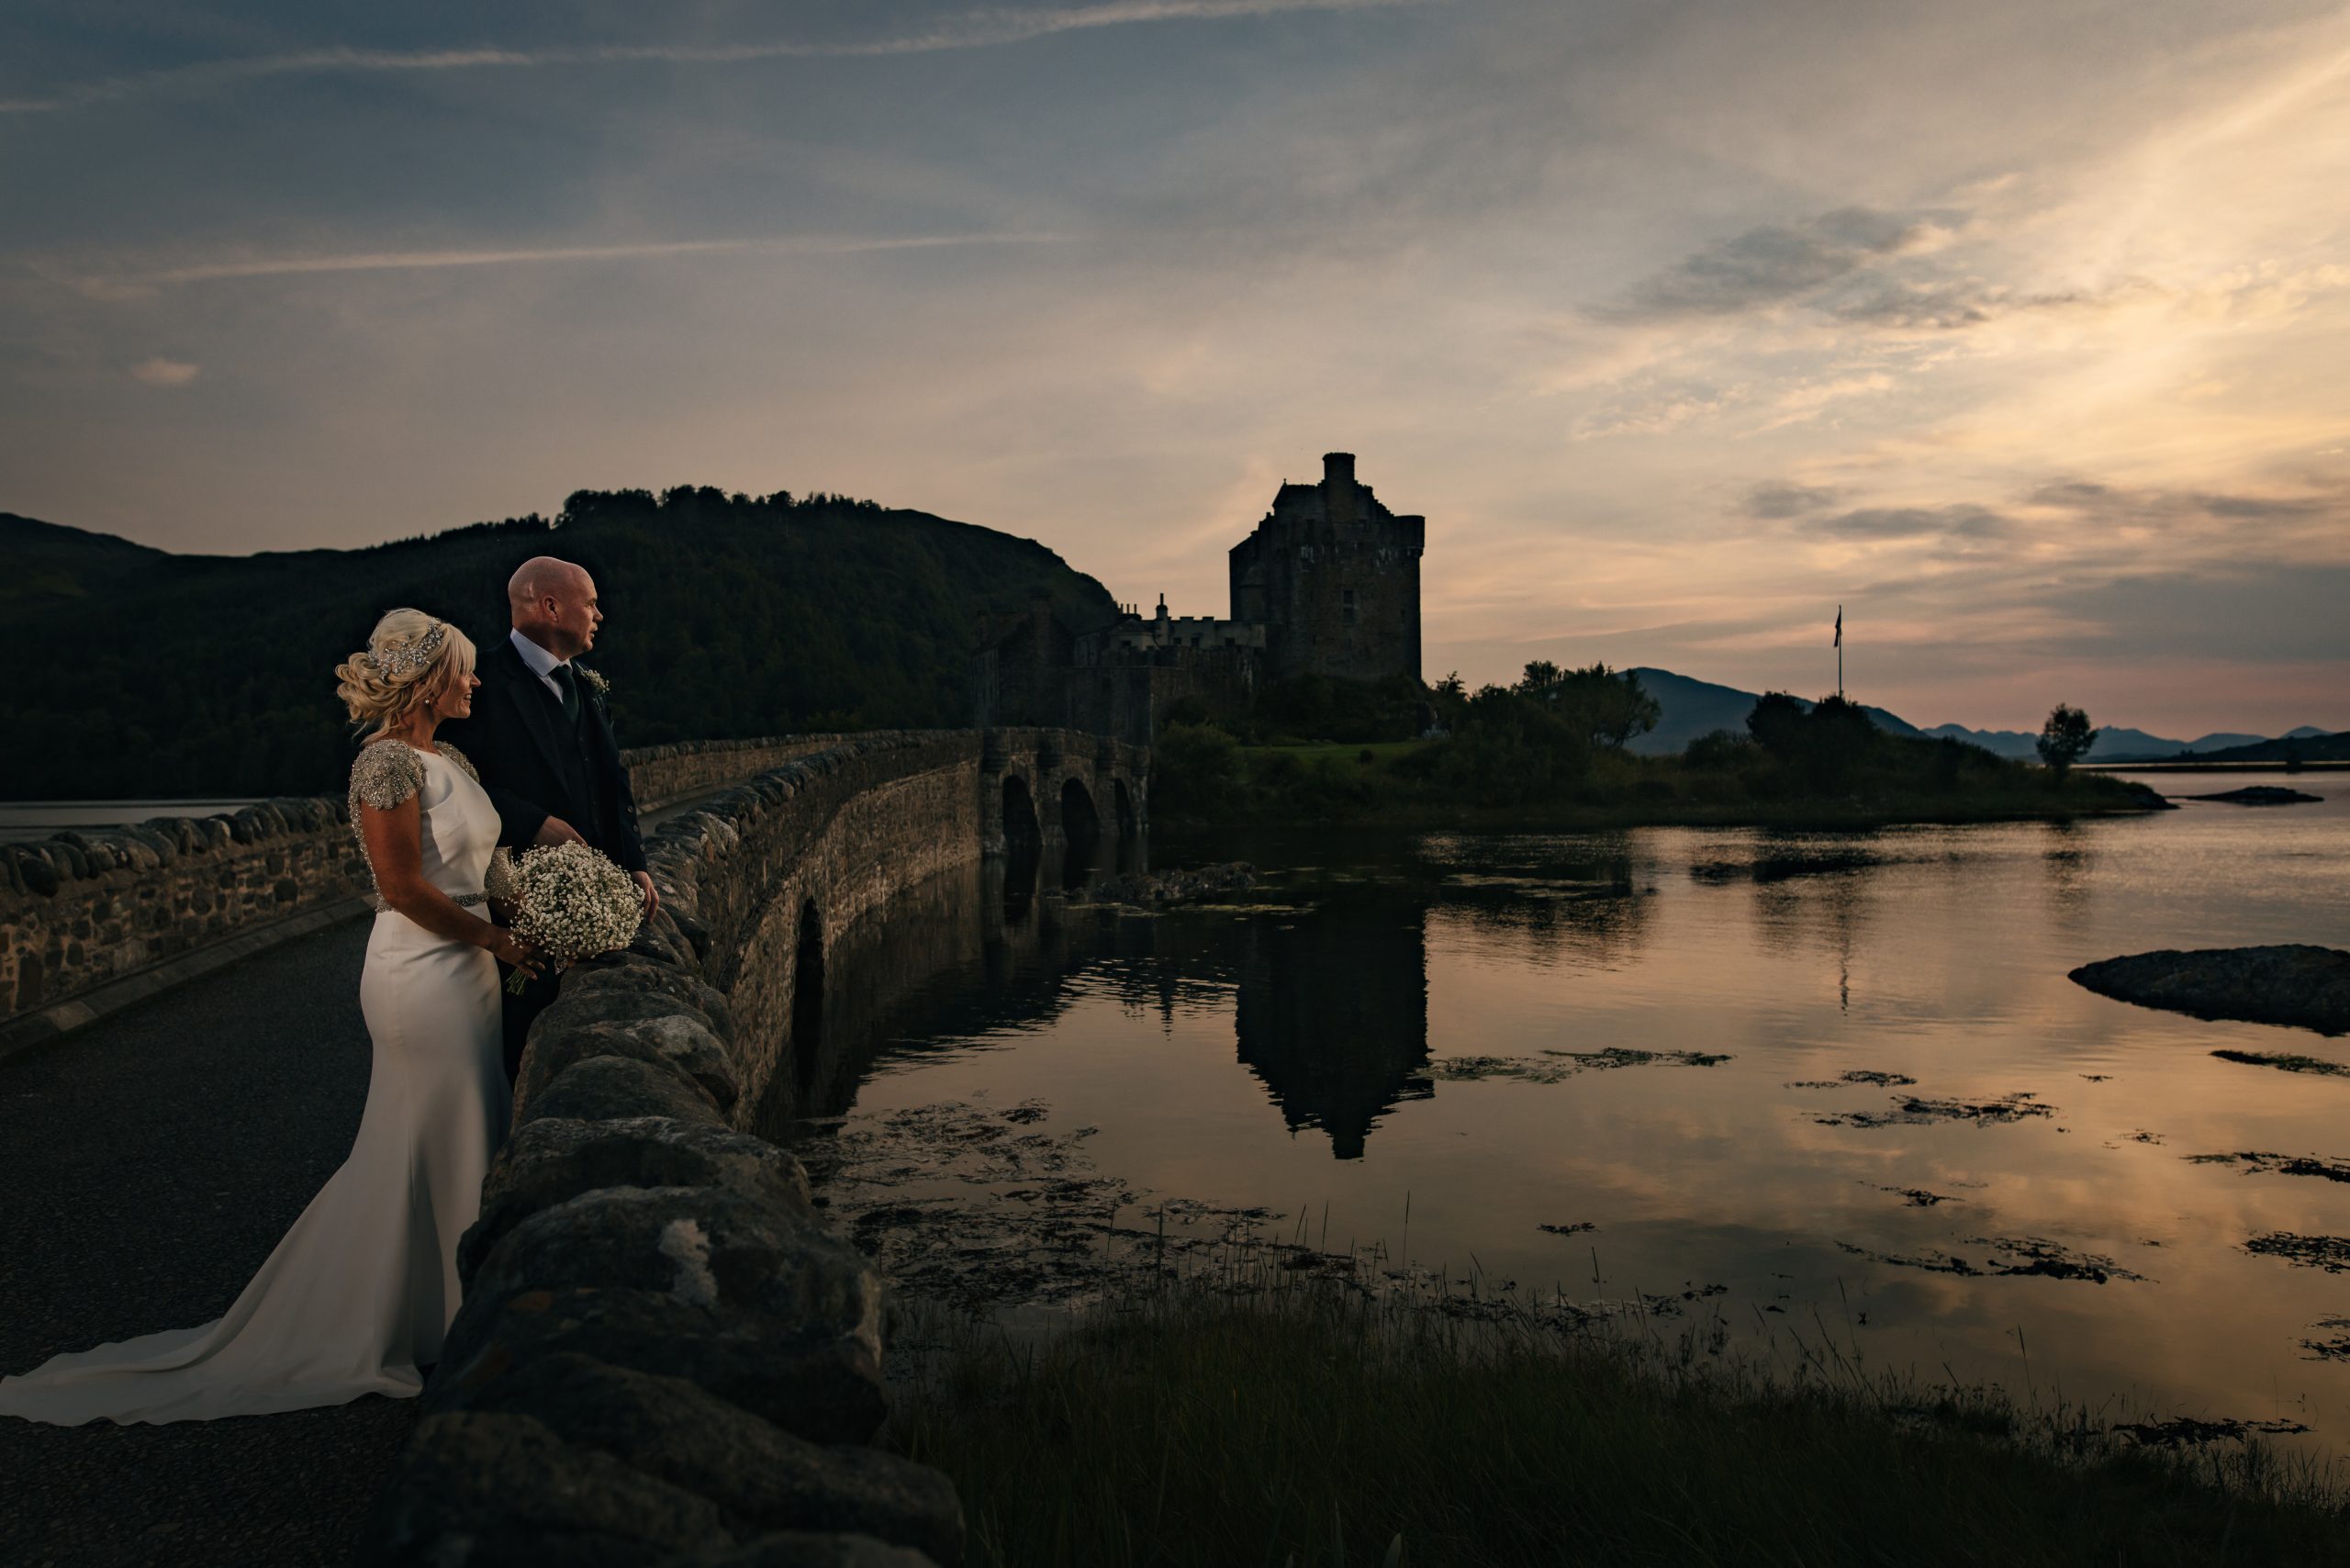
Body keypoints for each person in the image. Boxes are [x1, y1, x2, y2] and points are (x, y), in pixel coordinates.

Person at [0, 610, 542, 1425]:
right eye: (464, 670)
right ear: (430, 679)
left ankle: (446, 1310)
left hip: (468, 966)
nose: (475, 682)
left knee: (459, 1129)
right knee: (426, 1129)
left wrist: (532, 912)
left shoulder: (450, 757)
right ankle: (417, 1321)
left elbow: (475, 862)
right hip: (420, 970)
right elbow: (401, 888)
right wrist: (497, 939)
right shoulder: (385, 764)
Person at [439, 556, 656, 1083]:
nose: (599, 614)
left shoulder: (589, 686)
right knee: (518, 1033)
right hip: (514, 897)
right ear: (551, 606)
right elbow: (453, 778)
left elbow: (613, 785)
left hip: (590, 893)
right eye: (591, 603)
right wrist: (532, 821)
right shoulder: (480, 682)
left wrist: (635, 864)